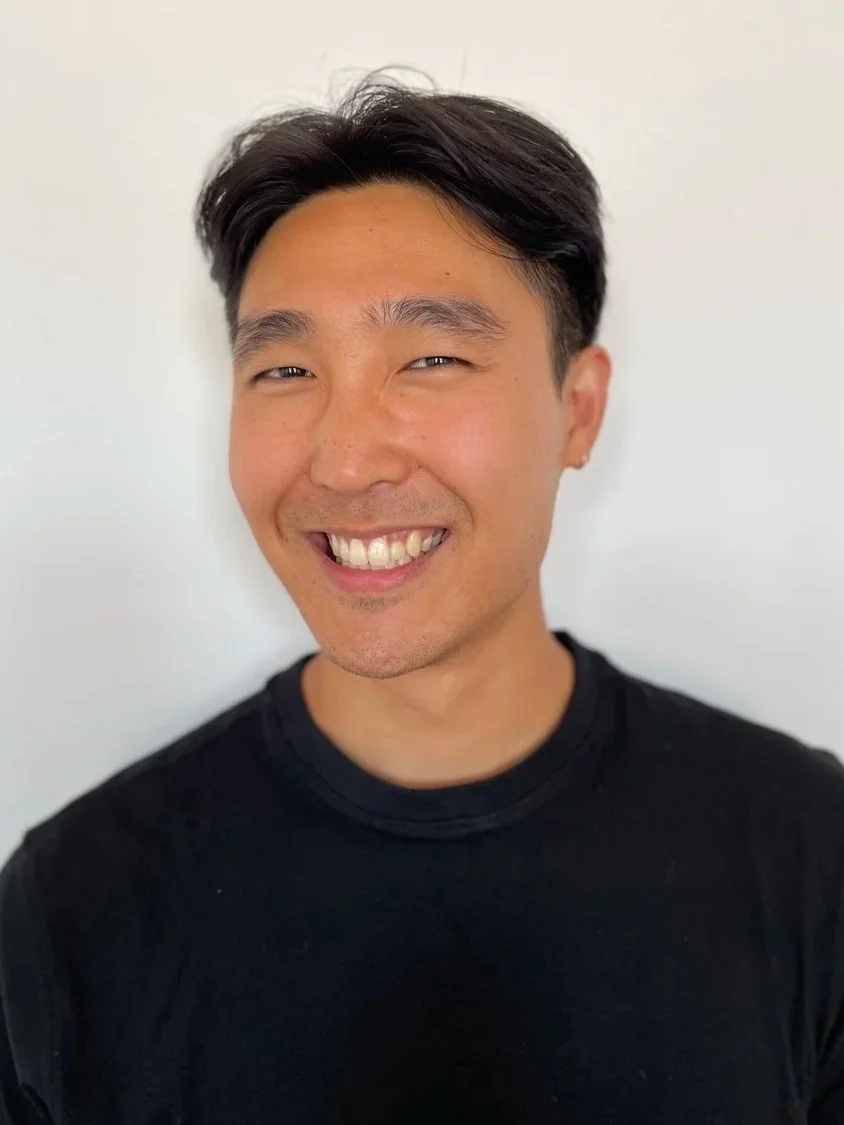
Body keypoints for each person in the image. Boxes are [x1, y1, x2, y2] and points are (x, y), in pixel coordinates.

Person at [1, 73, 842, 1125]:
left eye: (432, 357)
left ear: (577, 411)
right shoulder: (71, 903)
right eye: (285, 371)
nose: (345, 461)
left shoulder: (807, 852)